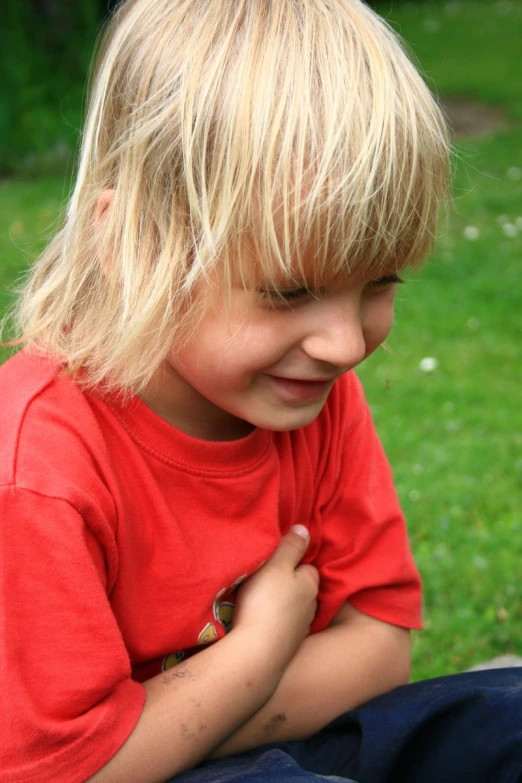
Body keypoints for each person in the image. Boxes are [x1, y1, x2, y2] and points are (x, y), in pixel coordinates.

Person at [4, 2, 519, 783]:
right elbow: (67, 768)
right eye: (288, 291)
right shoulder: (38, 465)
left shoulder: (308, 392)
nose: (345, 346)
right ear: (129, 244)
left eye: (379, 284)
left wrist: (169, 721)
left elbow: (379, 645)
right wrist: (258, 651)